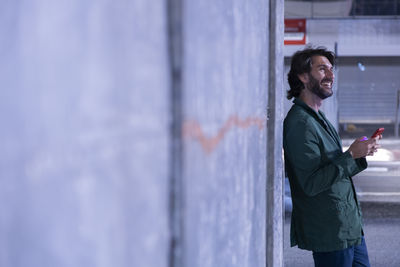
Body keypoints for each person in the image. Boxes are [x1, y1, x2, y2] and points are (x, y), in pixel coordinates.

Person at [283, 46, 381, 267]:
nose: (330, 75)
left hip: (349, 228)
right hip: (330, 232)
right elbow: (309, 183)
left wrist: (359, 154)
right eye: (322, 69)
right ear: (303, 76)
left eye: (331, 69)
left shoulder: (319, 118)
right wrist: (350, 156)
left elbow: (335, 168)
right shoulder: (299, 123)